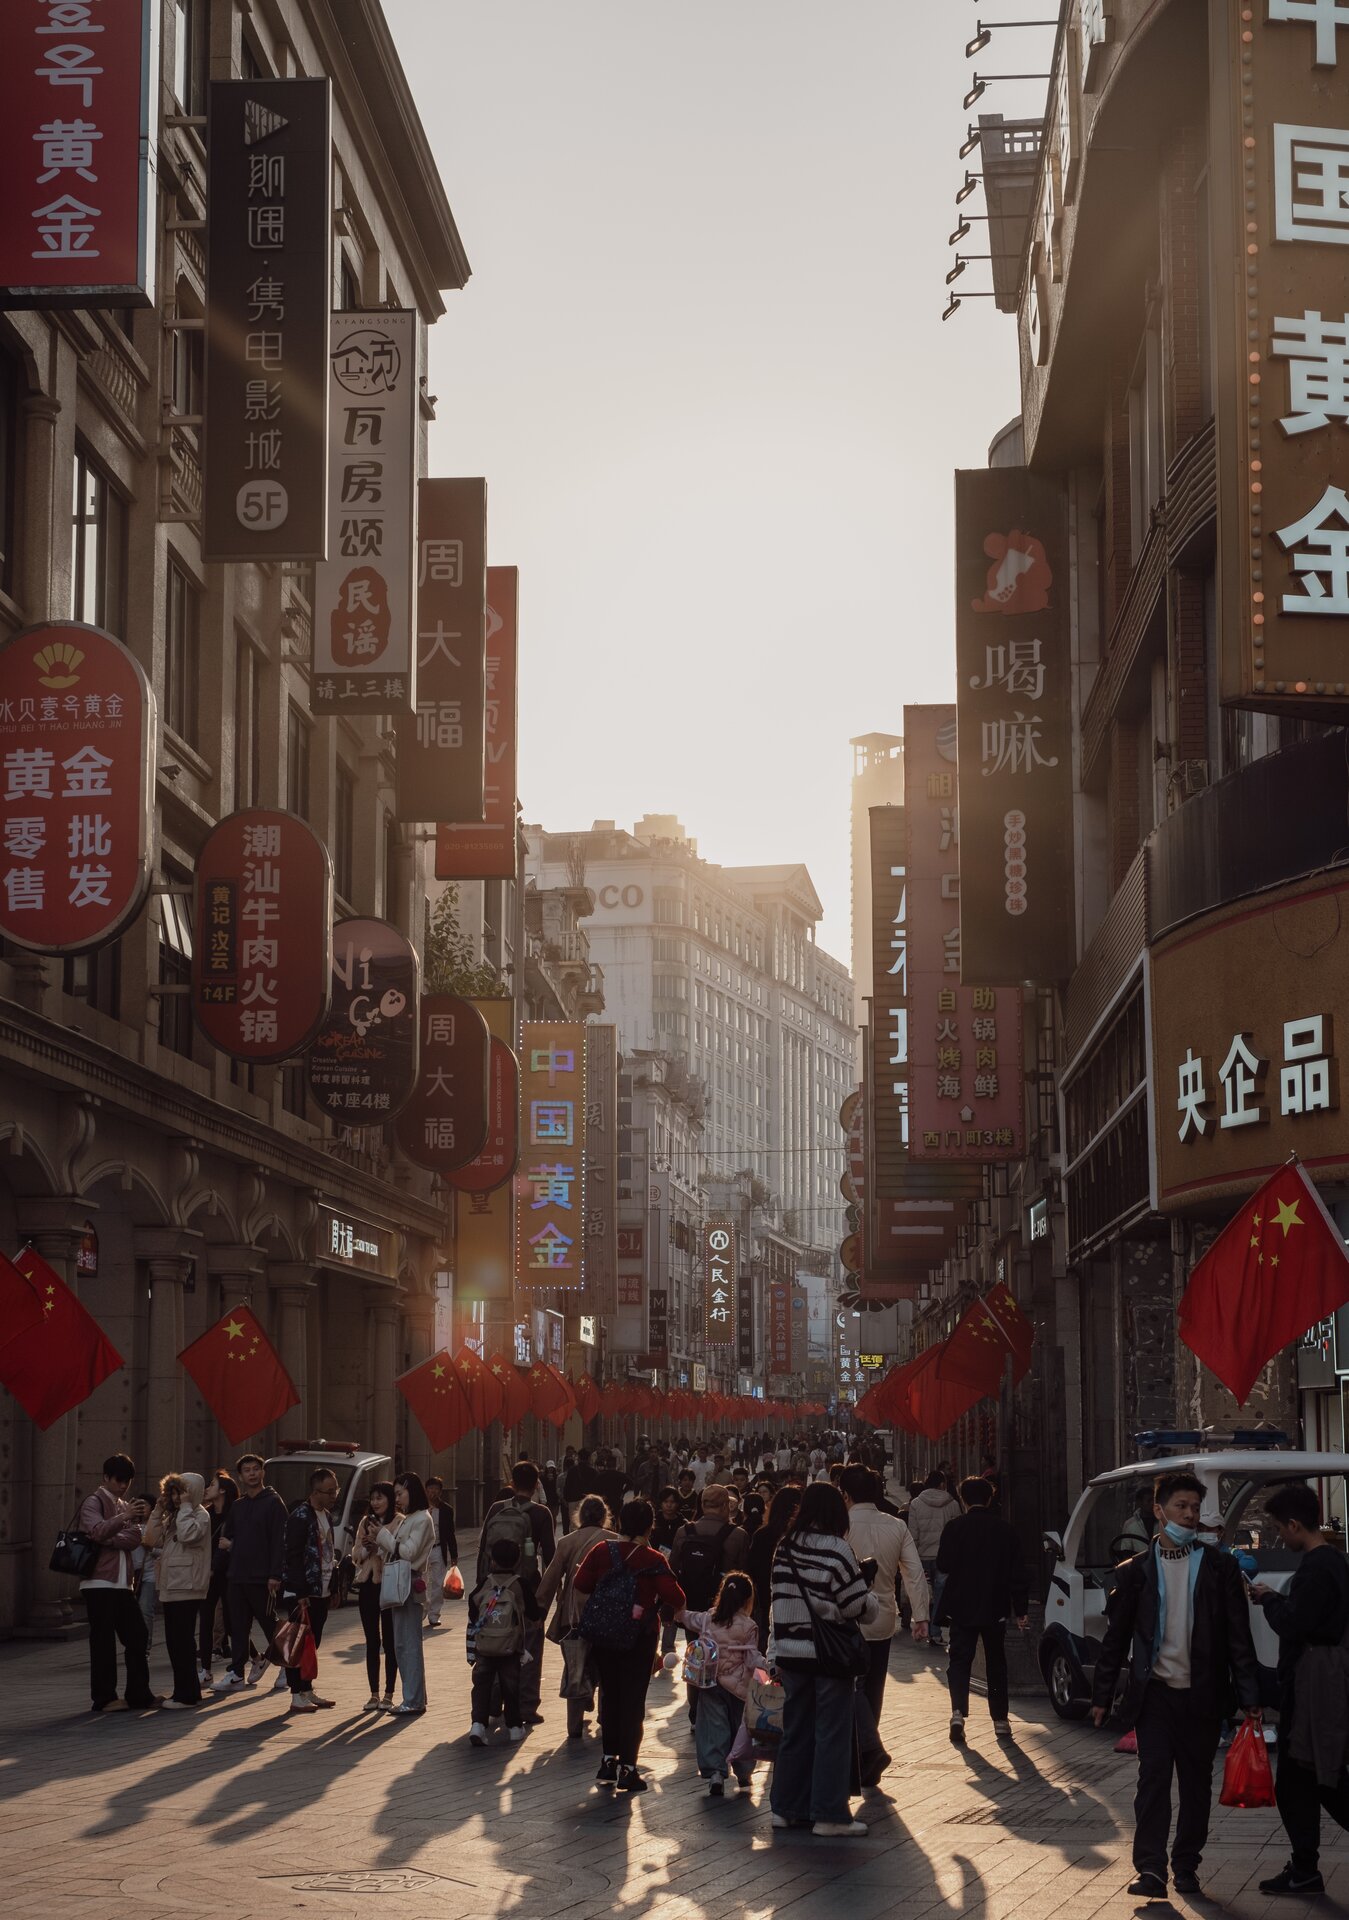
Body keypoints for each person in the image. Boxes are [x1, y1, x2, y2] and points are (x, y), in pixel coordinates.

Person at [1091, 1468, 1261, 1900]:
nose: (1188, 1516)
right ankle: (1150, 1869)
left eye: (1194, 1508)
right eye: (1180, 1507)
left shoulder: (1219, 1567)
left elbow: (1238, 1638)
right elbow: (1116, 1639)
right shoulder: (1134, 1572)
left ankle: (1186, 1866)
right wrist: (1102, 1694)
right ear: (1158, 1510)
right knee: (1152, 1781)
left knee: (1195, 1786)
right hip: (1155, 1698)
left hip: (1203, 1698)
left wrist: (1249, 1698)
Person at [1251, 1482, 1349, 1897]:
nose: (1279, 1536)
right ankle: (1304, 1868)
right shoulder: (1336, 1562)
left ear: (1295, 1524)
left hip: (1315, 1684)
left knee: (1311, 1778)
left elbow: (1296, 1623)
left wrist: (1270, 1599)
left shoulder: (1316, 1567)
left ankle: (1304, 1869)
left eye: (1279, 1528)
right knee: (1310, 1779)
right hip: (1322, 1680)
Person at [769, 1479, 880, 1838]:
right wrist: (871, 1596)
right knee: (831, 1733)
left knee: (795, 1730)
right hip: (828, 1656)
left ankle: (786, 1809)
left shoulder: (783, 1547)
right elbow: (854, 1606)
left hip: (790, 1652)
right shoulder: (838, 1549)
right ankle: (829, 1814)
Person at [573, 1497, 686, 1792]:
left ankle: (608, 1762)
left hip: (605, 1638)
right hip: (640, 1639)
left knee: (610, 1697)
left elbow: (581, 1584)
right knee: (633, 1703)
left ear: (620, 1522)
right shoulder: (654, 1559)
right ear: (650, 1526)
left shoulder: (602, 1550)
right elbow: (677, 1598)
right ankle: (628, 1768)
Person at [843, 1464, 930, 1787]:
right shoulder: (896, 1526)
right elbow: (914, 1572)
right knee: (874, 1687)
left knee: (851, 1688)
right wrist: (920, 1615)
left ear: (846, 1494)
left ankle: (864, 1751)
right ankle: (870, 1748)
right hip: (883, 1618)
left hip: (848, 1619)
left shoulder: (841, 1526)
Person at [937, 1475, 1029, 1748]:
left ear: (963, 1499)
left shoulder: (954, 1528)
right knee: (996, 1661)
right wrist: (1021, 1610)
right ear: (989, 1498)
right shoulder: (1005, 1530)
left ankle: (957, 1714)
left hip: (961, 1604)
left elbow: (943, 1564)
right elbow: (1018, 1574)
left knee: (959, 1659)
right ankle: (1000, 1719)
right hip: (994, 1604)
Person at [78, 1453, 160, 1713]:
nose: (123, 1486)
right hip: (98, 1582)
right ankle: (104, 1698)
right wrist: (122, 1520)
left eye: (127, 1481)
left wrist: (112, 1536)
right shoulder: (94, 1502)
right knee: (102, 1641)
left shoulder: (125, 1504)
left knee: (137, 1635)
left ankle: (139, 1694)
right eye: (118, 1480)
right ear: (106, 1478)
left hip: (123, 1583)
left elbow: (136, 1537)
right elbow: (96, 1531)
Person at [478, 1462, 556, 1723]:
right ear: (536, 1485)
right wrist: (547, 1594)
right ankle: (526, 1706)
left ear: (511, 1482)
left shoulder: (497, 1509)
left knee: (498, 1640)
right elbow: (551, 1557)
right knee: (530, 1646)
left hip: (496, 1587)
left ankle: (492, 1702)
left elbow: (481, 1549)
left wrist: (482, 1587)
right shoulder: (541, 1513)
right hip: (528, 1588)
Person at [535, 1494, 617, 1737]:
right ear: (605, 1517)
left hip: (573, 1616)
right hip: (606, 1616)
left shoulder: (567, 1542)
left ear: (579, 1516)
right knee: (606, 1666)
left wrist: (538, 1610)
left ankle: (574, 1725)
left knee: (575, 1666)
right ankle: (604, 1717)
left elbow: (550, 1579)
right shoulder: (615, 1541)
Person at [678, 1571, 761, 1795]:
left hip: (710, 1682)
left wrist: (676, 1606)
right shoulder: (749, 1626)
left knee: (713, 1728)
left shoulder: (708, 1618)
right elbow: (752, 1658)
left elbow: (686, 1617)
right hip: (739, 1688)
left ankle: (716, 1773)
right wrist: (769, 1664)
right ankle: (743, 1773)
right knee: (740, 1729)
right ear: (747, 1599)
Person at [214, 1452, 287, 1692]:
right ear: (241, 1476)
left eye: (256, 1468)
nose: (252, 1473)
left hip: (262, 1577)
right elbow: (228, 1538)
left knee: (270, 1624)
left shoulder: (274, 1502)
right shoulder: (238, 1505)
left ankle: (288, 1667)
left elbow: (279, 1541)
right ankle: (236, 1672)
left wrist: (275, 1574)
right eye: (247, 1470)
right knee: (238, 1626)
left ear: (263, 1472)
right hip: (237, 1575)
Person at [143, 1472, 211, 1708]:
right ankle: (186, 1691)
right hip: (172, 1585)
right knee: (175, 1642)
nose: (174, 1497)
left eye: (179, 1492)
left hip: (188, 1585)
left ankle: (186, 1696)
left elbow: (188, 1535)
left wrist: (184, 1507)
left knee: (182, 1642)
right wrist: (157, 1511)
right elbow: (150, 1539)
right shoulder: (175, 1516)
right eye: (172, 1492)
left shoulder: (200, 1515)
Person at [279, 1466, 340, 1714]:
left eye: (336, 1490)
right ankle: (295, 1693)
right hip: (303, 1593)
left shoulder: (325, 1515)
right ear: (316, 1491)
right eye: (330, 1491)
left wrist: (333, 1587)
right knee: (296, 1642)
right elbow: (292, 1557)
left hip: (322, 1591)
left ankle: (306, 1688)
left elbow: (329, 1555)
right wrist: (300, 1592)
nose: (334, 1495)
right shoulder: (300, 1516)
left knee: (312, 1643)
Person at [468, 1537, 541, 1745]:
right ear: (517, 1561)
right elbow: (534, 1613)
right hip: (511, 1647)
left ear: (492, 1561)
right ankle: (515, 1727)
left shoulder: (485, 1582)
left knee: (482, 1685)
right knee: (511, 1686)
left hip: (485, 1646)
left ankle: (478, 1725)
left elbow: (473, 1607)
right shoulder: (519, 1584)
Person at [377, 1472, 436, 1714]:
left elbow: (409, 1552)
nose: (397, 1498)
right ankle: (413, 1696)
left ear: (412, 1492)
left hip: (409, 1582)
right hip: (400, 1580)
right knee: (401, 1643)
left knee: (409, 1643)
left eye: (400, 1493)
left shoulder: (422, 1519)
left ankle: (413, 1700)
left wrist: (384, 1537)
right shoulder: (408, 1519)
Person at [352, 1480, 398, 1711]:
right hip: (368, 1585)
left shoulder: (399, 1521)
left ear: (390, 1499)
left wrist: (379, 1545)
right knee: (372, 1640)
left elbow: (397, 1551)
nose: (375, 1502)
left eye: (380, 1497)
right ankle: (374, 1693)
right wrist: (364, 1549)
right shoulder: (364, 1522)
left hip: (389, 1585)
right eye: (373, 1498)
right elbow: (355, 1556)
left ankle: (389, 1693)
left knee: (390, 1641)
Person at [906, 1469, 962, 1650]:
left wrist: (912, 1554)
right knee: (939, 1595)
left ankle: (922, 1626)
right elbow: (957, 1532)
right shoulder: (952, 1503)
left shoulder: (915, 1503)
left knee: (922, 1593)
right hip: (944, 1558)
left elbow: (913, 1532)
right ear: (942, 1484)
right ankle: (935, 1633)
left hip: (921, 1555)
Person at [197, 1470, 238, 1688]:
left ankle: (257, 1657)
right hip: (210, 1575)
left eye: (211, 1484)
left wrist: (214, 1567)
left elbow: (227, 1546)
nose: (207, 1489)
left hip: (228, 1575)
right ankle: (205, 1670)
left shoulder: (235, 1514)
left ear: (222, 1489)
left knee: (232, 1624)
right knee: (205, 1619)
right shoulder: (206, 1514)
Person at [749, 1485, 801, 1643]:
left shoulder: (762, 1535)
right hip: (798, 1603)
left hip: (767, 1601)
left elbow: (751, 1570)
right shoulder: (801, 1536)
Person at [424, 1475, 458, 1629]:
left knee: (438, 1583)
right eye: (430, 1489)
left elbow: (450, 1533)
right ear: (426, 1490)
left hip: (438, 1548)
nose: (433, 1492)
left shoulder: (446, 1510)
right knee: (421, 1583)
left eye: (436, 1489)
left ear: (440, 1492)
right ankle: (422, 1610)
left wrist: (454, 1555)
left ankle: (434, 1614)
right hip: (422, 1550)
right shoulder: (419, 1508)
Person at [1120, 1484, 1158, 1555]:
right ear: (1139, 1502)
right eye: (1149, 1500)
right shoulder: (1130, 1525)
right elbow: (1125, 1550)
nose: (1152, 1503)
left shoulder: (1162, 1522)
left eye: (1154, 1500)